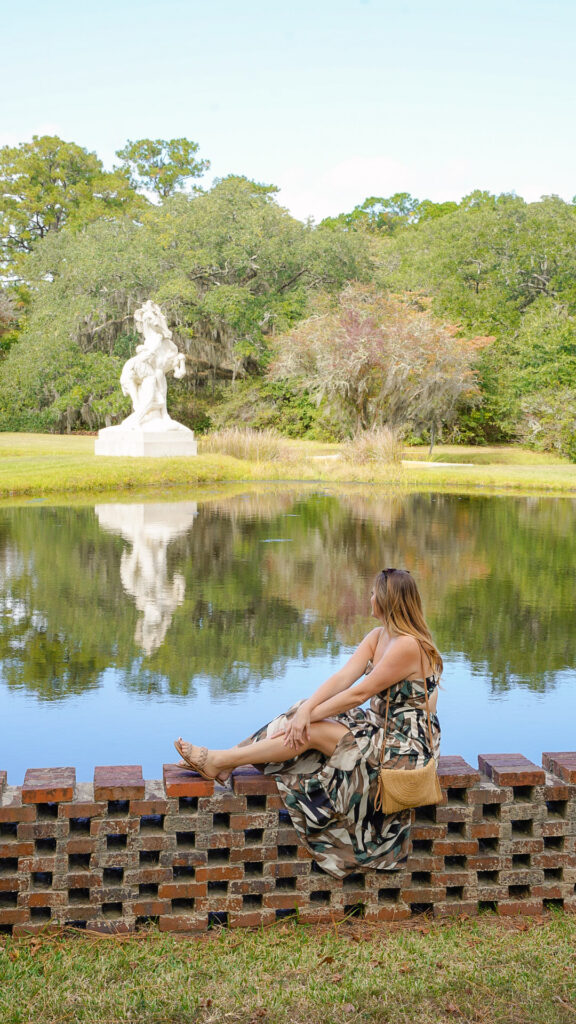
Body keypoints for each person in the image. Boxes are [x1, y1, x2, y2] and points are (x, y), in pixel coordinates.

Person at [174, 568, 442, 878]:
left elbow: (359, 693)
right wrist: (308, 708)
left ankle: (222, 760)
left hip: (403, 746)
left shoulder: (407, 645)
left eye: (374, 594)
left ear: (388, 600)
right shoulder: (378, 636)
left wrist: (308, 717)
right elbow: (343, 678)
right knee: (301, 709)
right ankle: (225, 759)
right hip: (379, 726)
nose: (369, 598)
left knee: (311, 728)